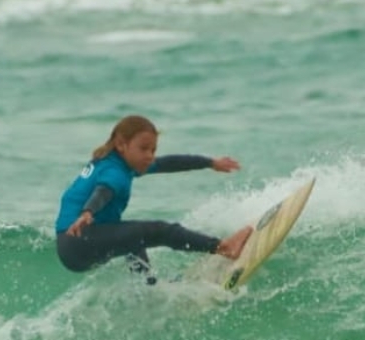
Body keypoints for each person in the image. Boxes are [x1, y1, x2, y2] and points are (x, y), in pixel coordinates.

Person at [55, 115, 253, 281]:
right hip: (80, 238)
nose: (150, 155)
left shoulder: (118, 162)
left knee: (134, 239)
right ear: (122, 144)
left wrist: (210, 162)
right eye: (144, 149)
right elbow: (103, 191)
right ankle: (223, 247)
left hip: (72, 245)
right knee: (158, 230)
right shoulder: (114, 171)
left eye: (153, 150)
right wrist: (88, 212)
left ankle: (147, 290)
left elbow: (169, 163)